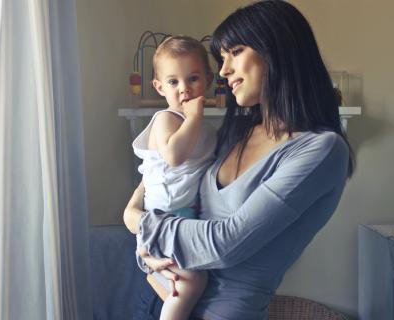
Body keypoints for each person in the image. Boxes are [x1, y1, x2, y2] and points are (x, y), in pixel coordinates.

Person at [124, 1, 356, 319]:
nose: (223, 70)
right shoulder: (238, 131)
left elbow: (226, 243)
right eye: (221, 58)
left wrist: (140, 223)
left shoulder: (322, 150)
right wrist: (143, 243)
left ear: (276, 49)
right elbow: (163, 179)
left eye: (235, 52)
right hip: (164, 295)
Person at [125, 35, 217, 320]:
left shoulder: (206, 130)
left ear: (208, 80)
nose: (184, 89)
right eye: (174, 82)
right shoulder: (166, 119)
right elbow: (174, 156)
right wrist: (194, 118)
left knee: (192, 282)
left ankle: (159, 284)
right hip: (161, 218)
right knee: (193, 282)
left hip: (183, 217)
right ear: (159, 87)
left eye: (193, 79)